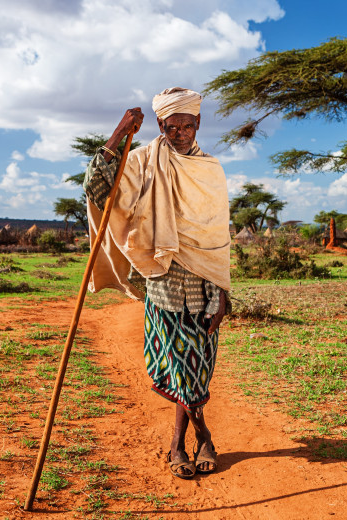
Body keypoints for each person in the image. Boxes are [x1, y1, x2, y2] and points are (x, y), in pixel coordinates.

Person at [83, 87, 230, 479]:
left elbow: (218, 238)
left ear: (199, 123)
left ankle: (184, 443)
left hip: (204, 286)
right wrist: (119, 133)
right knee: (180, 368)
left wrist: (223, 292)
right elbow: (97, 188)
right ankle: (192, 441)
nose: (180, 132)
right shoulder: (142, 162)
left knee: (196, 369)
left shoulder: (211, 170)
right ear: (161, 126)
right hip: (162, 283)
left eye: (187, 125)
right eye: (171, 126)